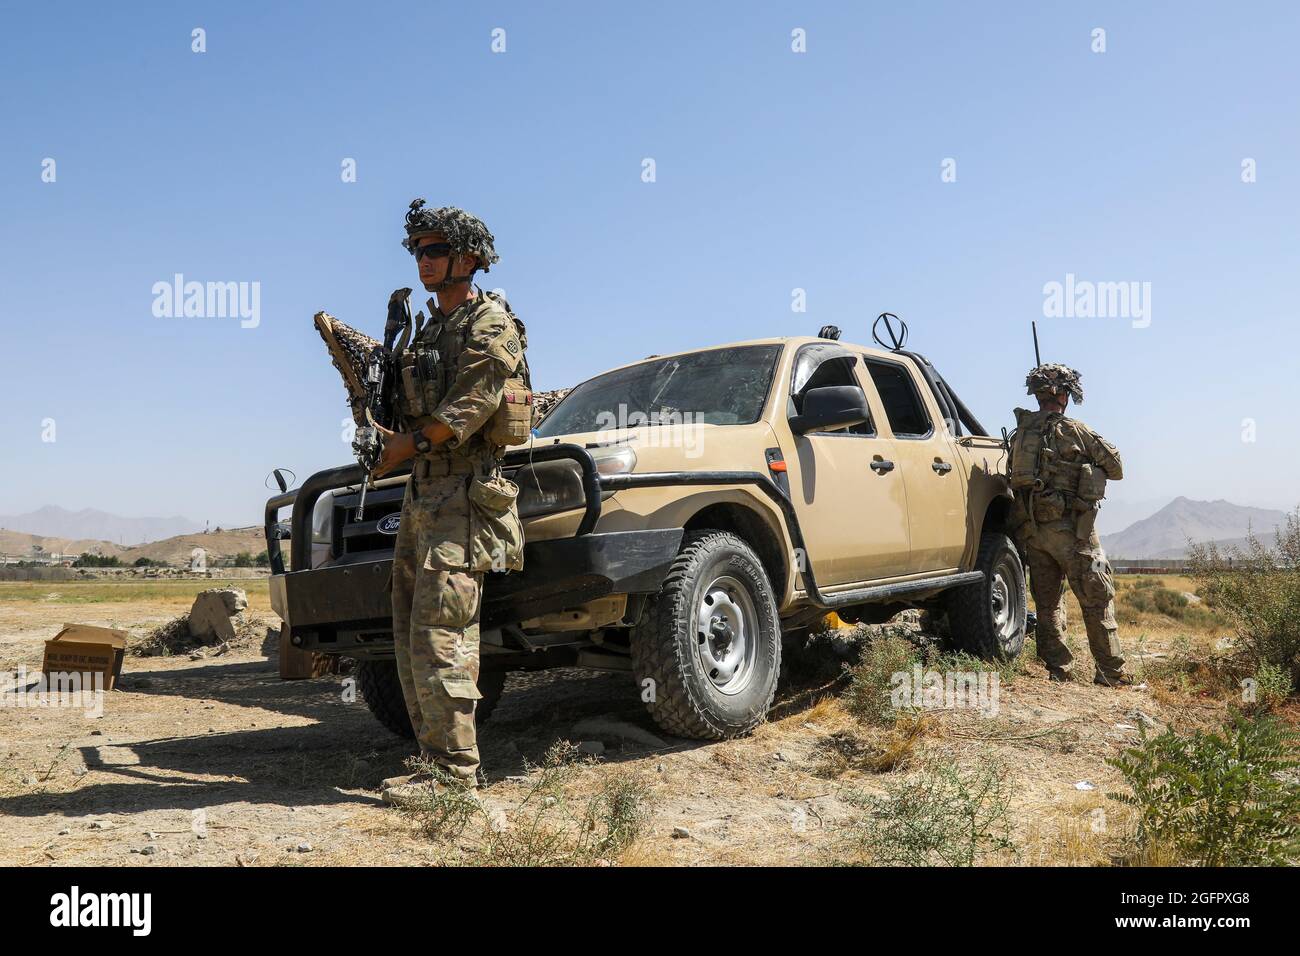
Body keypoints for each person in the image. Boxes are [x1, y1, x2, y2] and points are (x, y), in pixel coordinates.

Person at [373, 199, 527, 804]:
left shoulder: (492, 325)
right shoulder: (428, 328)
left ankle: (454, 776)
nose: (424, 261)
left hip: (464, 493)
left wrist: (404, 446)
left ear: (469, 257)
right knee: (411, 632)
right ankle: (431, 762)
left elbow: (471, 406)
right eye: (417, 251)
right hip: (423, 493)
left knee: (443, 634)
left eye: (435, 250)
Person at [1009, 364, 1129, 686]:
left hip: (1034, 531)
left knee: (1047, 604)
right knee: (1096, 597)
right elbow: (1116, 467)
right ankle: (1110, 672)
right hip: (1074, 532)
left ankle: (1058, 670)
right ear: (1064, 394)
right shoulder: (1075, 430)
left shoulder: (1021, 433)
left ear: (1037, 394)